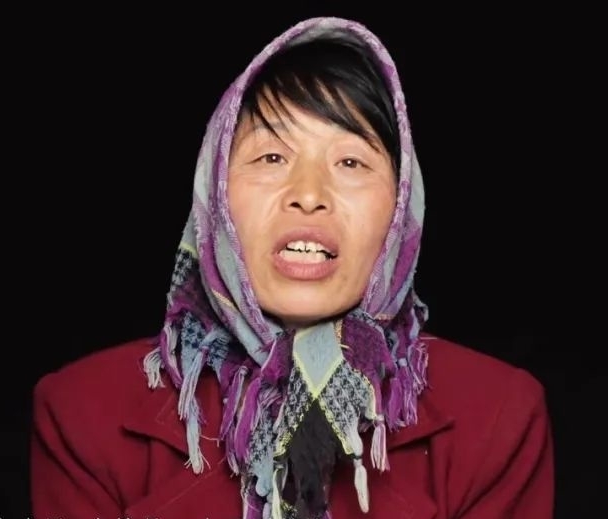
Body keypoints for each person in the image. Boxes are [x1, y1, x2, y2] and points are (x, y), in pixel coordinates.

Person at [30, 17, 554, 519]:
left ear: (400, 209)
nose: (308, 194)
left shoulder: (497, 417)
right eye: (272, 158)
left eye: (350, 162)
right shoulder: (82, 413)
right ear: (215, 194)